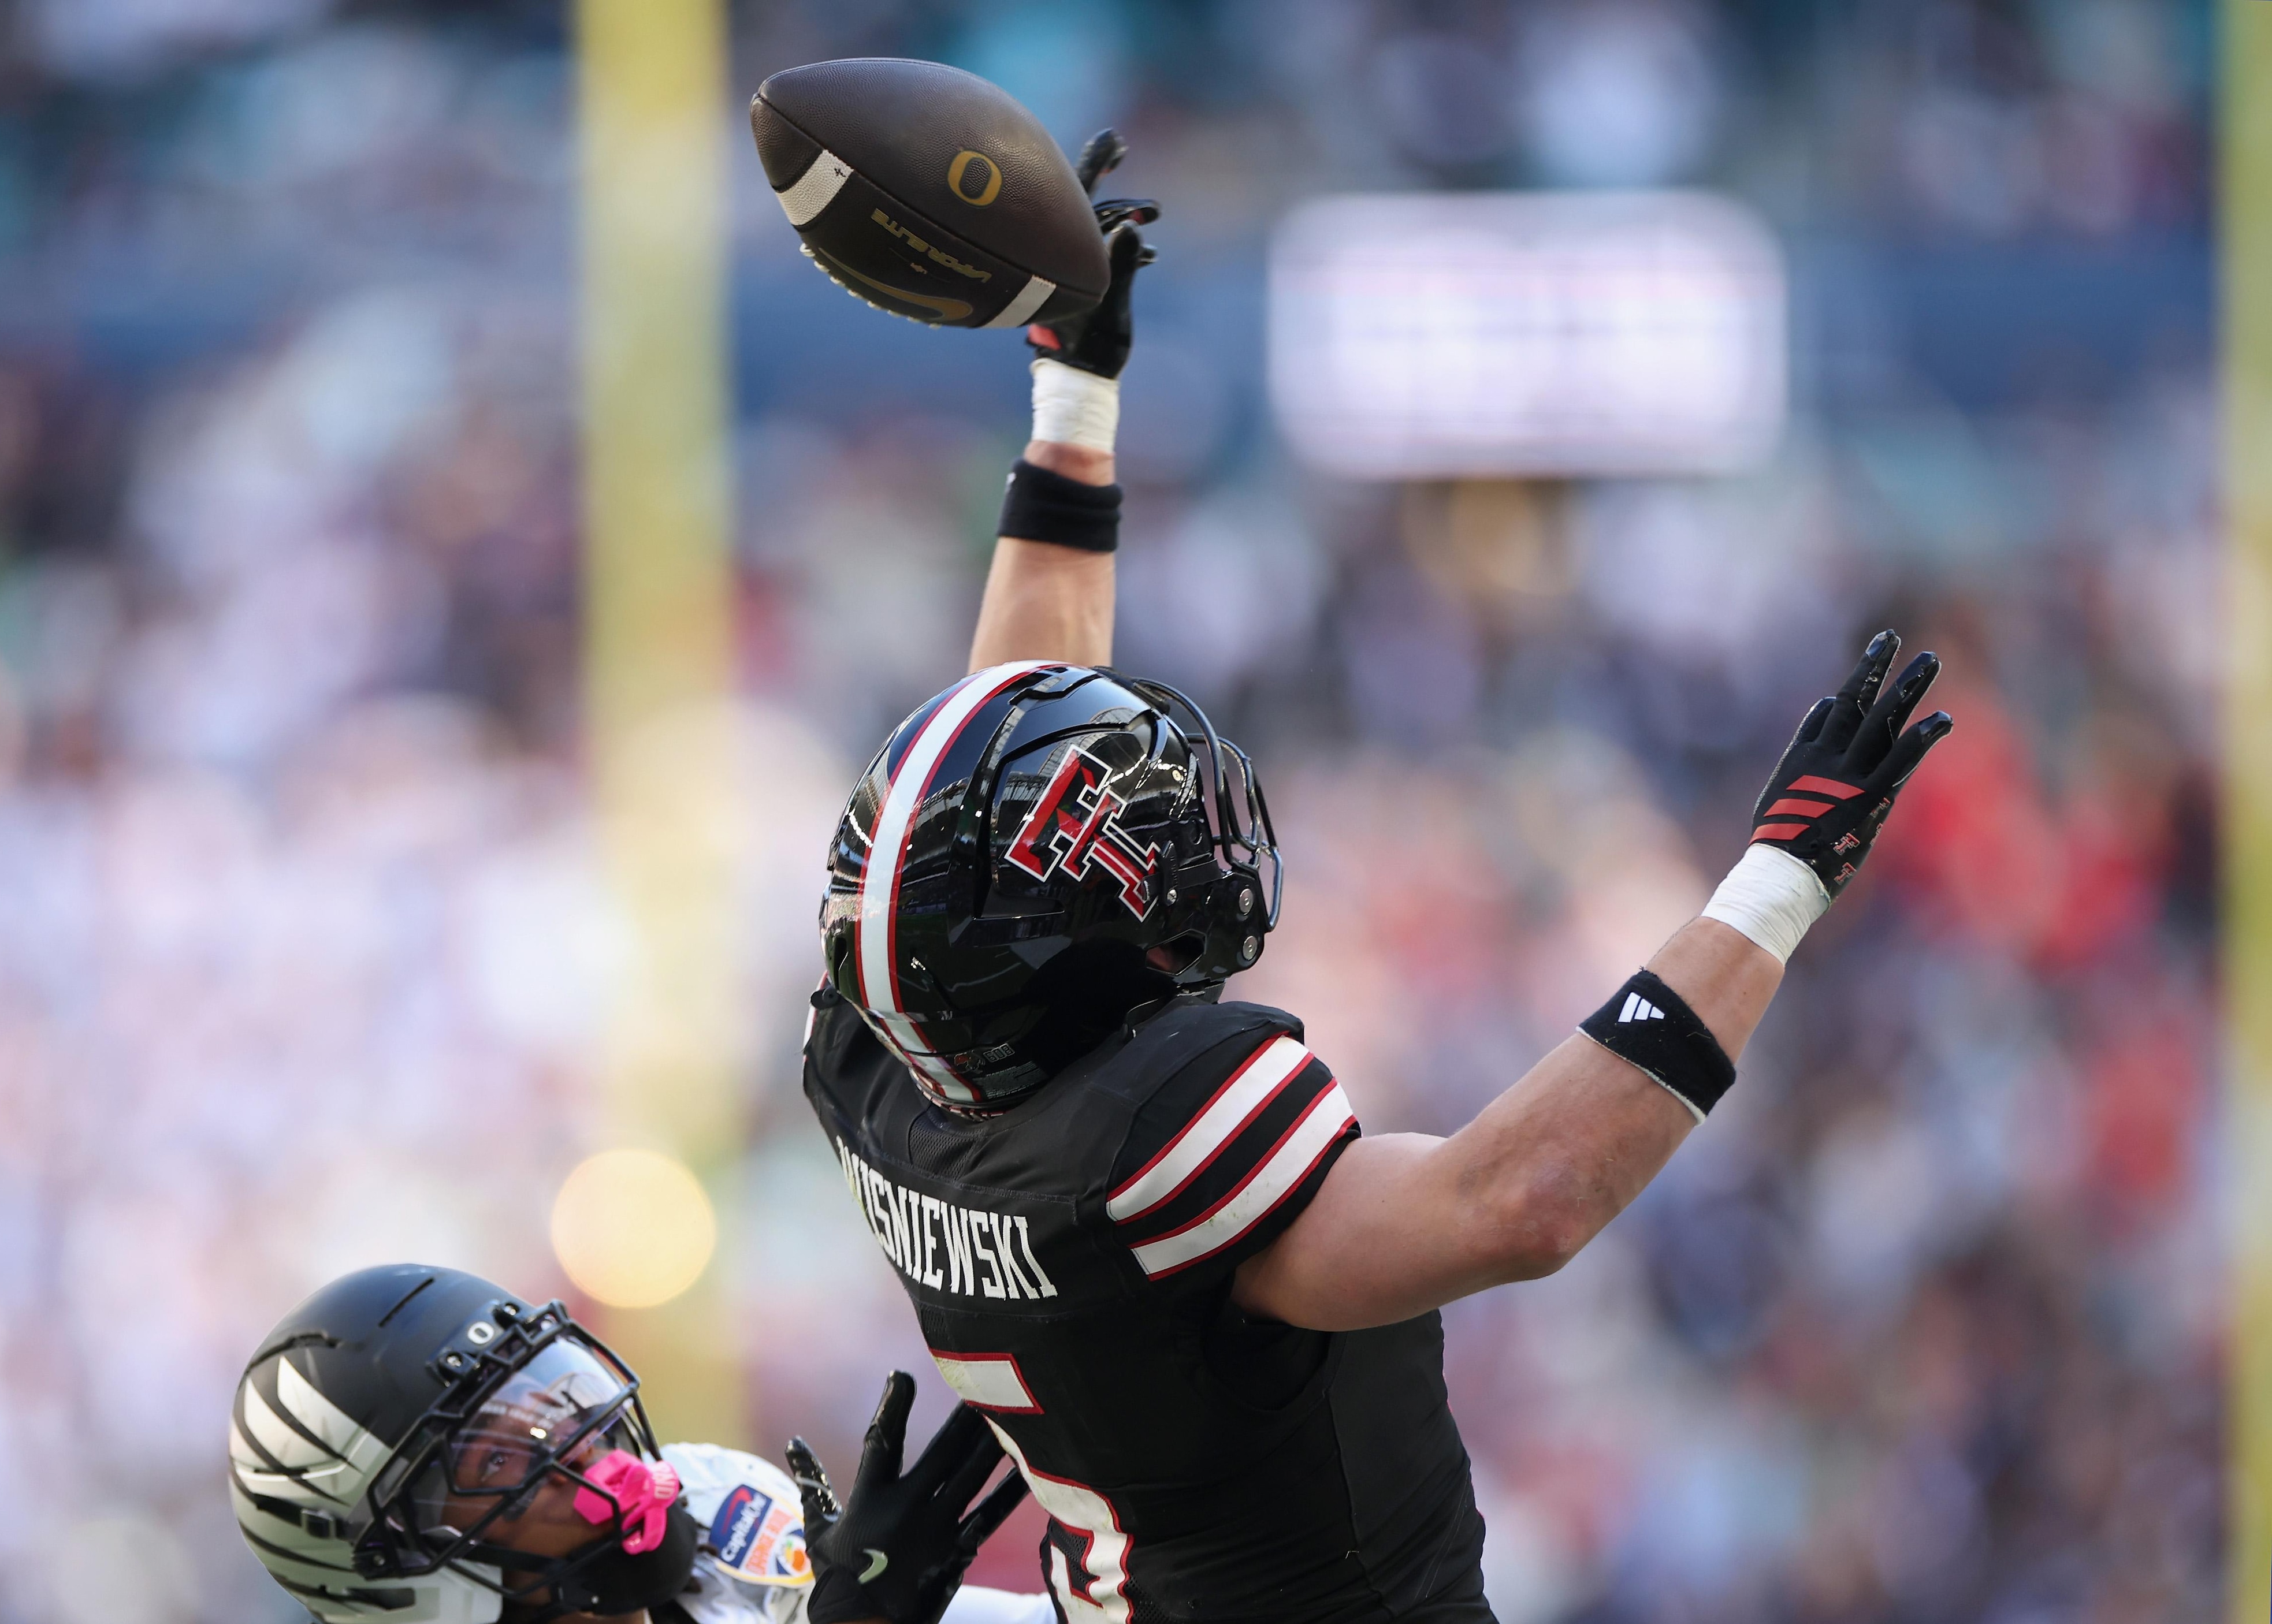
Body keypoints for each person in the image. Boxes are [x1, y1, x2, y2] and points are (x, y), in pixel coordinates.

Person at [796, 133, 1955, 1624]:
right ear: (1068, 953)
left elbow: (1004, 749)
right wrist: (1781, 880)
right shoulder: (1150, 1138)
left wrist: (1074, 405)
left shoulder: (886, 1065)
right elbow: (1521, 1198)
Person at [228, 1262, 1048, 1624]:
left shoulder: (718, 1542)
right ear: (403, 1575)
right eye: (498, 1458)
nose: (580, 1448)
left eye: (550, 1392)